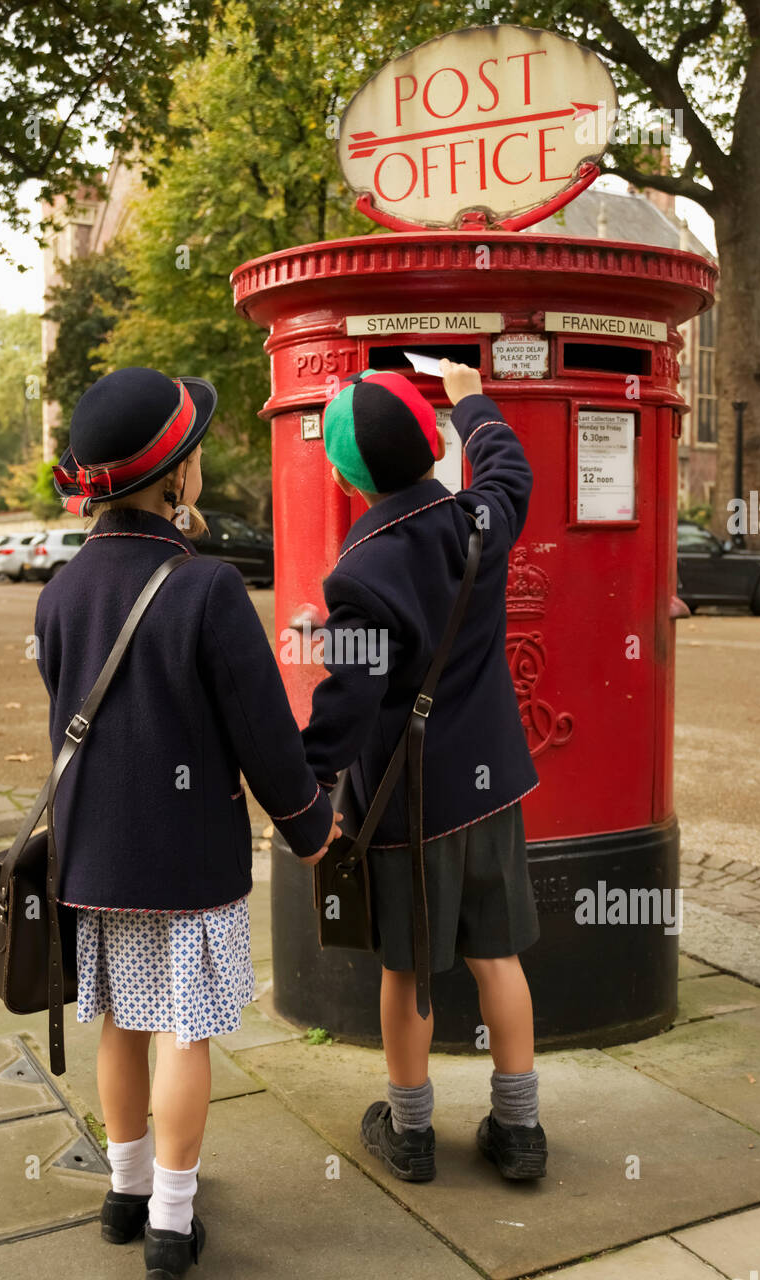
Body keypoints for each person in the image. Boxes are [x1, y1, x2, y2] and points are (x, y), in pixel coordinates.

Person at [35, 366, 339, 1280]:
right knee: (182, 1034)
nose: (201, 462)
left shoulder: (59, 591)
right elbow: (265, 741)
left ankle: (124, 1194)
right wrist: (309, 827)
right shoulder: (207, 590)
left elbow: (69, 720)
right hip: (186, 864)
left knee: (119, 1026)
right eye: (195, 451)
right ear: (174, 479)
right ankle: (172, 1222)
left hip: (93, 858)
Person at [302, 360, 547, 1185]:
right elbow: (510, 466)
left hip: (407, 807)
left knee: (406, 968)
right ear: (434, 443)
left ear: (343, 476)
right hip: (493, 788)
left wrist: (306, 785)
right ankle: (518, 1131)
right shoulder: (480, 516)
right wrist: (469, 397)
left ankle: (408, 1132)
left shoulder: (360, 573)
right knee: (496, 955)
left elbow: (348, 705)